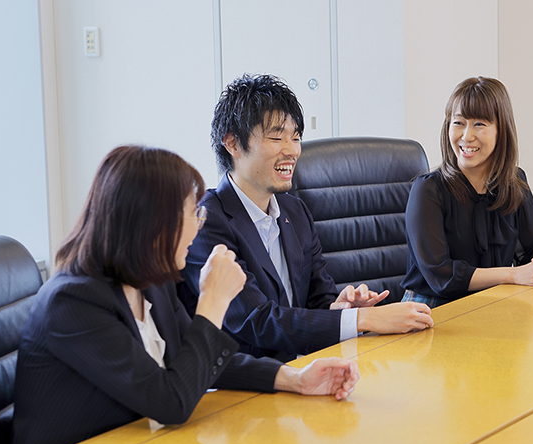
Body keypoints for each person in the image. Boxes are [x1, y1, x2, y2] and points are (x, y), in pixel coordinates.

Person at [10, 145, 360, 444]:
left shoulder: (151, 281)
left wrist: (294, 379)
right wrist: (212, 302)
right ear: (150, 224)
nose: (198, 227)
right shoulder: (73, 302)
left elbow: (198, 360)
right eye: (192, 214)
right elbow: (170, 402)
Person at [181, 74, 433, 362]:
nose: (292, 150)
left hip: (310, 369)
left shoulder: (295, 211)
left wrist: (341, 310)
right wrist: (362, 320)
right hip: (250, 379)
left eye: (296, 137)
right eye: (276, 137)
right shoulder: (206, 220)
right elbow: (256, 321)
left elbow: (318, 300)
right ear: (233, 144)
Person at [401, 76, 533, 307]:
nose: (466, 136)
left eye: (479, 124)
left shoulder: (513, 182)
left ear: (502, 130)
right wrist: (514, 274)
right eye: (458, 123)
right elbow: (442, 275)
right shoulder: (428, 189)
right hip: (430, 308)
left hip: (489, 303)